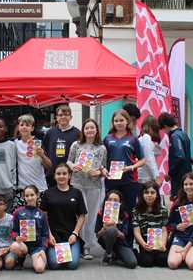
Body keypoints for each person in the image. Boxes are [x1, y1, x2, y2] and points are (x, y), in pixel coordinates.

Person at [67, 118, 107, 260]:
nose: (89, 130)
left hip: (94, 185)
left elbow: (103, 167)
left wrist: (99, 172)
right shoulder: (76, 145)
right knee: (80, 215)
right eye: (87, 128)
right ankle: (78, 243)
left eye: (92, 128)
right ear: (83, 130)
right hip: (78, 183)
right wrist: (73, 167)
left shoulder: (101, 148)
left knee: (90, 216)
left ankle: (87, 246)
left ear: (96, 130)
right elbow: (69, 161)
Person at [41, 163, 87, 270]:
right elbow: (43, 215)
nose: (61, 176)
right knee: (54, 264)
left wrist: (75, 233)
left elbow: (82, 215)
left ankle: (74, 249)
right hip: (54, 237)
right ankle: (57, 252)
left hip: (71, 236)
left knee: (72, 265)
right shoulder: (48, 193)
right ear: (54, 176)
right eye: (58, 174)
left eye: (64, 174)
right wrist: (49, 235)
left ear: (69, 175)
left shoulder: (76, 193)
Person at [103, 109, 145, 214]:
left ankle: (129, 231)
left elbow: (143, 160)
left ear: (127, 121)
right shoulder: (107, 138)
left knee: (130, 210)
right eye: (116, 121)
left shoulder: (133, 139)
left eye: (121, 120)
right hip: (111, 181)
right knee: (112, 211)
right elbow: (102, 159)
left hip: (129, 180)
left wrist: (131, 167)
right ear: (113, 123)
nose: (119, 123)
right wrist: (103, 169)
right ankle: (112, 230)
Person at [167, 173, 193, 270]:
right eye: (186, 184)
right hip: (179, 237)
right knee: (172, 264)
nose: (188, 187)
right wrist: (176, 227)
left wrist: (187, 247)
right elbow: (168, 224)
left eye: (191, 184)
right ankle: (183, 256)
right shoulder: (177, 202)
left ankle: (189, 255)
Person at [8, 185, 50, 273]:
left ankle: (39, 257)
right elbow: (13, 231)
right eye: (27, 196)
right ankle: (21, 259)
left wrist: (43, 248)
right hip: (23, 245)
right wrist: (16, 237)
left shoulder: (42, 214)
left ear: (37, 195)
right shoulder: (18, 212)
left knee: (39, 269)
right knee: (14, 246)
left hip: (36, 246)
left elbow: (45, 234)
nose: (29, 198)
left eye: (32, 195)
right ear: (24, 197)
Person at [94, 190, 137, 268]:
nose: (112, 202)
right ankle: (108, 253)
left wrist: (116, 229)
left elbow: (124, 236)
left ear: (120, 203)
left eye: (115, 200)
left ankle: (115, 254)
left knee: (132, 263)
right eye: (110, 199)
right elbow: (97, 235)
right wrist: (104, 229)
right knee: (111, 230)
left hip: (120, 243)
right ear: (106, 201)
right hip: (105, 241)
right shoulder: (101, 213)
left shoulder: (124, 215)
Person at [132, 181, 169, 267]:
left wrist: (163, 244)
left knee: (163, 261)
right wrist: (143, 244)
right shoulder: (136, 210)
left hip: (159, 240)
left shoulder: (163, 210)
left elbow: (164, 230)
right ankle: (135, 253)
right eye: (146, 192)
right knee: (146, 262)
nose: (149, 195)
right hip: (145, 240)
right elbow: (136, 231)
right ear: (142, 194)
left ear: (157, 195)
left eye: (152, 192)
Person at [42, 105, 80, 186]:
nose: (63, 117)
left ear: (71, 117)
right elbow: (44, 151)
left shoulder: (77, 133)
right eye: (60, 115)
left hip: (71, 176)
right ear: (56, 117)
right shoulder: (50, 133)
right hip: (52, 175)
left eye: (66, 115)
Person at [15, 114, 51, 196]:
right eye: (22, 125)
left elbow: (49, 166)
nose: (24, 127)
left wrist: (42, 155)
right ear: (18, 127)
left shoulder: (39, 143)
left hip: (39, 187)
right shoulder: (15, 143)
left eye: (27, 125)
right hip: (22, 189)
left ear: (32, 128)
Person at [159, 112, 192, 196]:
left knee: (179, 201)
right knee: (187, 200)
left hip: (179, 177)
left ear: (165, 126)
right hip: (187, 175)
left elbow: (179, 156)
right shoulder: (184, 134)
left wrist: (170, 173)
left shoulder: (174, 136)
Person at [137, 116, 162, 186]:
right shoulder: (146, 138)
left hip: (143, 175)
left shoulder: (141, 138)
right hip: (146, 177)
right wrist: (156, 176)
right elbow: (149, 158)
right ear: (152, 128)